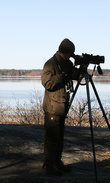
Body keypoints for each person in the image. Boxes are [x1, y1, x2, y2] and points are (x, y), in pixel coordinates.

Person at [41, 38, 80, 176]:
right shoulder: (51, 64)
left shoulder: (67, 63)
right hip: (52, 107)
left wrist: (80, 71)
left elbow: (74, 76)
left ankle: (57, 162)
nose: (71, 56)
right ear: (65, 52)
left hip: (62, 106)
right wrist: (62, 76)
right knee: (51, 138)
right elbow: (47, 84)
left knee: (60, 138)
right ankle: (49, 165)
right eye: (70, 53)